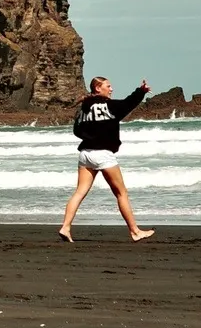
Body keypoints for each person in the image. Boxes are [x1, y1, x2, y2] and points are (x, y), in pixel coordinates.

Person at [60, 76, 155, 243]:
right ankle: (135, 231)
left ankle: (65, 227)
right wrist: (141, 91)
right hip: (103, 154)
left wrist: (90, 135)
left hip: (85, 154)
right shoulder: (110, 106)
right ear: (98, 88)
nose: (111, 89)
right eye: (108, 86)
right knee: (121, 193)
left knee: (80, 192)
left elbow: (77, 131)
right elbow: (128, 104)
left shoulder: (83, 108)